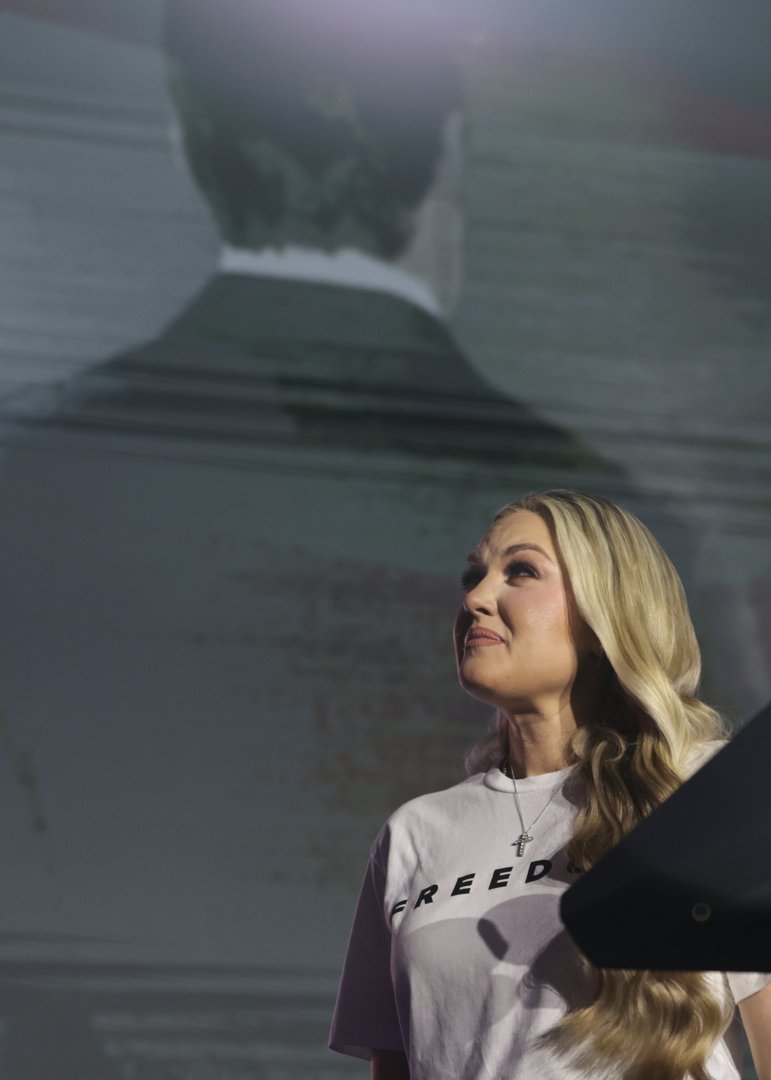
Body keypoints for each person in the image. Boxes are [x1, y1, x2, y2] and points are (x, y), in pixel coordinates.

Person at [328, 489, 771, 1080]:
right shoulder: (415, 832)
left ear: (603, 614)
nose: (476, 597)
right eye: (473, 575)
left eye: (521, 571)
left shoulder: (707, 787)